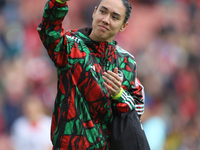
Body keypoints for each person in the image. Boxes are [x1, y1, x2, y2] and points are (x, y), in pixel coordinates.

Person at [37, 0, 145, 149]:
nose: (106, 20)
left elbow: (137, 109)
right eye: (103, 11)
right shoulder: (70, 46)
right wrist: (59, 2)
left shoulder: (126, 62)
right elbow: (48, 30)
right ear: (94, 12)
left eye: (114, 17)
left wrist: (119, 94)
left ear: (123, 26)